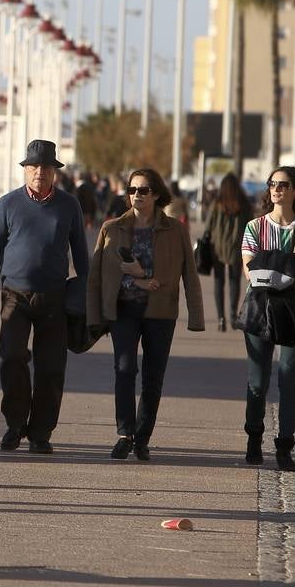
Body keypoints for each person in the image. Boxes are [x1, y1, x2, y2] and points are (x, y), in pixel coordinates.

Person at [0, 140, 91, 454]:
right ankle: (15, 425)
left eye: (45, 167)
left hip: (55, 297)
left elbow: (81, 255)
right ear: (25, 170)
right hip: (15, 295)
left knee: (51, 366)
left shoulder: (69, 205)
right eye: (33, 167)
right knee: (12, 357)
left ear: (54, 172)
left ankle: (41, 432)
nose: (39, 172)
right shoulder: (8, 204)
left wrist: (88, 294)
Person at [87, 169, 205, 462]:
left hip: (161, 311)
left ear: (156, 194)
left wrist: (196, 316)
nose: (136, 195)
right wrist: (94, 315)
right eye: (132, 190)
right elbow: (98, 275)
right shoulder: (112, 228)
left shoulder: (175, 230)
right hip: (124, 310)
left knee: (153, 378)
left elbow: (189, 274)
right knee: (124, 369)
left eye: (143, 190)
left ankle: (142, 437)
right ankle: (125, 434)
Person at [241, 166, 295, 472]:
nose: (277, 189)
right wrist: (290, 261)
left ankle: (285, 445)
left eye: (283, 184)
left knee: (289, 377)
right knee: (258, 380)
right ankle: (253, 438)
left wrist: (270, 260)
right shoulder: (254, 226)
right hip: (259, 309)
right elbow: (250, 268)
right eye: (272, 184)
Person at [206, 173, 253, 332]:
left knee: (219, 281)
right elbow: (251, 226)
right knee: (234, 281)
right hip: (237, 246)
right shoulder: (244, 204)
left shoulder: (217, 203)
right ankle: (233, 315)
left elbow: (208, 226)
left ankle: (221, 319)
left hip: (217, 247)